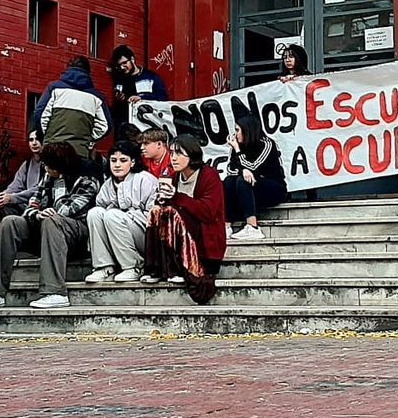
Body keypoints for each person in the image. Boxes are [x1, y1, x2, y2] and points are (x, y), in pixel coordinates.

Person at [0, 142, 100, 310]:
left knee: (52, 220)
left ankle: (54, 292)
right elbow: (31, 207)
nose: (45, 168)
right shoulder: (48, 177)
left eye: (49, 165)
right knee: (11, 222)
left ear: (60, 167)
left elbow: (67, 210)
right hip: (44, 227)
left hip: (75, 234)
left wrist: (59, 186)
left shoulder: (87, 180)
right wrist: (38, 214)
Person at [142, 135, 226, 305]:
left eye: (179, 154)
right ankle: (156, 268)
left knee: (172, 214)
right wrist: (163, 199)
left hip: (204, 234)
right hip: (181, 230)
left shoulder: (209, 175)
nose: (173, 158)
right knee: (157, 211)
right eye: (172, 153)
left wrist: (177, 197)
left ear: (192, 155)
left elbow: (208, 212)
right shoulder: (174, 176)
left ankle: (177, 268)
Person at [85, 142, 158, 283]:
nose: (117, 165)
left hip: (145, 235)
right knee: (95, 213)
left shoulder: (145, 179)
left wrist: (125, 215)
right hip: (117, 233)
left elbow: (154, 216)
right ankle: (104, 266)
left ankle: (134, 266)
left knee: (112, 215)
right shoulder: (107, 185)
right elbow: (101, 211)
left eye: (123, 160)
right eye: (113, 160)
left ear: (133, 162)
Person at [35, 56, 112, 161]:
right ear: (88, 72)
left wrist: (48, 137)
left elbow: (39, 114)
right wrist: (88, 138)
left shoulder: (54, 88)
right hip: (79, 151)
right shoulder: (96, 97)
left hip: (52, 149)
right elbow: (105, 127)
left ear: (68, 68)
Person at [224, 114, 287, 241]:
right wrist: (244, 169)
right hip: (249, 190)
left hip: (273, 189)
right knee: (229, 181)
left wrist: (237, 151)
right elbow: (231, 169)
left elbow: (254, 168)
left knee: (243, 180)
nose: (235, 134)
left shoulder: (267, 144)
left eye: (237, 130)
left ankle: (252, 227)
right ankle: (227, 225)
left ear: (247, 130)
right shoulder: (238, 146)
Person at [109, 45, 168, 128]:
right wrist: (120, 99)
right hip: (125, 128)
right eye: (119, 65)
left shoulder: (150, 77)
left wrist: (142, 97)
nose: (122, 67)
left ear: (132, 59)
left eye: (124, 63)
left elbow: (163, 98)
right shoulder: (119, 80)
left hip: (147, 126)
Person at [0, 131, 43, 218]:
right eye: (31, 140)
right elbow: (16, 185)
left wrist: (12, 198)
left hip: (40, 205)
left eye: (37, 139)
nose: (34, 143)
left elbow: (38, 189)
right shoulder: (27, 164)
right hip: (25, 205)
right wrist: (1, 196)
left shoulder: (49, 165)